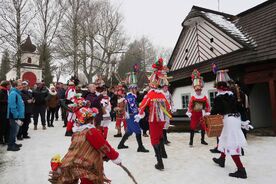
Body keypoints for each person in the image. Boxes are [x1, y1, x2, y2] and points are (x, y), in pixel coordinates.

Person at [48, 107, 122, 184]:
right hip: (89, 165)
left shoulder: (77, 133)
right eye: (92, 118)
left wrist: (105, 156)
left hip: (77, 163)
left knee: (86, 180)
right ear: (90, 120)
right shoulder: (91, 131)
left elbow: (81, 148)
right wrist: (115, 157)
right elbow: (104, 146)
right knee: (91, 181)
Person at [211, 70, 250, 179]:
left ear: (218, 87)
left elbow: (214, 112)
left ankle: (241, 169)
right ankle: (222, 159)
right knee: (224, 139)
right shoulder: (232, 95)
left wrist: (207, 117)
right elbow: (241, 108)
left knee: (231, 144)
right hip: (236, 119)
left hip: (229, 121)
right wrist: (244, 120)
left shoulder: (219, 97)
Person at [135, 58, 172, 170]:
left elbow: (141, 106)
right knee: (160, 136)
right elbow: (168, 107)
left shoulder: (149, 95)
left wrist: (140, 114)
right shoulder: (162, 95)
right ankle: (163, 154)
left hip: (153, 120)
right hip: (162, 120)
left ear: (151, 85)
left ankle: (159, 162)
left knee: (154, 140)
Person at [117, 71, 149, 153]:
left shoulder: (131, 96)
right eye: (134, 88)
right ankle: (140, 147)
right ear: (131, 89)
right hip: (132, 116)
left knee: (129, 131)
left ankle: (121, 144)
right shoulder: (130, 96)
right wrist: (138, 113)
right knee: (138, 131)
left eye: (136, 88)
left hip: (131, 116)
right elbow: (133, 107)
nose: (136, 89)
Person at [186, 69, 210, 147]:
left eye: (199, 90)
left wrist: (207, 111)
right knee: (192, 127)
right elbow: (190, 105)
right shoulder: (193, 97)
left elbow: (207, 105)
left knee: (203, 126)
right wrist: (189, 112)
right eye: (197, 90)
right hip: (194, 113)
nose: (198, 92)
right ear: (195, 90)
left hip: (201, 113)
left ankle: (202, 140)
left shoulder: (204, 97)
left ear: (201, 90)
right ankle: (191, 141)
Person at [7, 80, 25, 151]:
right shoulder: (13, 93)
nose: (21, 86)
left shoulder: (17, 93)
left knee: (15, 130)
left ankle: (13, 143)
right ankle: (10, 146)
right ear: (15, 85)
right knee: (13, 131)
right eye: (20, 84)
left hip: (17, 116)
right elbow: (12, 106)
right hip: (14, 116)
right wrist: (16, 115)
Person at [0, 80, 11, 145]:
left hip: (6, 112)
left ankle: (6, 139)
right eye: (9, 85)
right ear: (6, 85)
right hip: (2, 113)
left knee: (7, 126)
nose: (10, 86)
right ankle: (1, 140)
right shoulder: (1, 92)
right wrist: (7, 101)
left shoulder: (7, 91)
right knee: (2, 127)